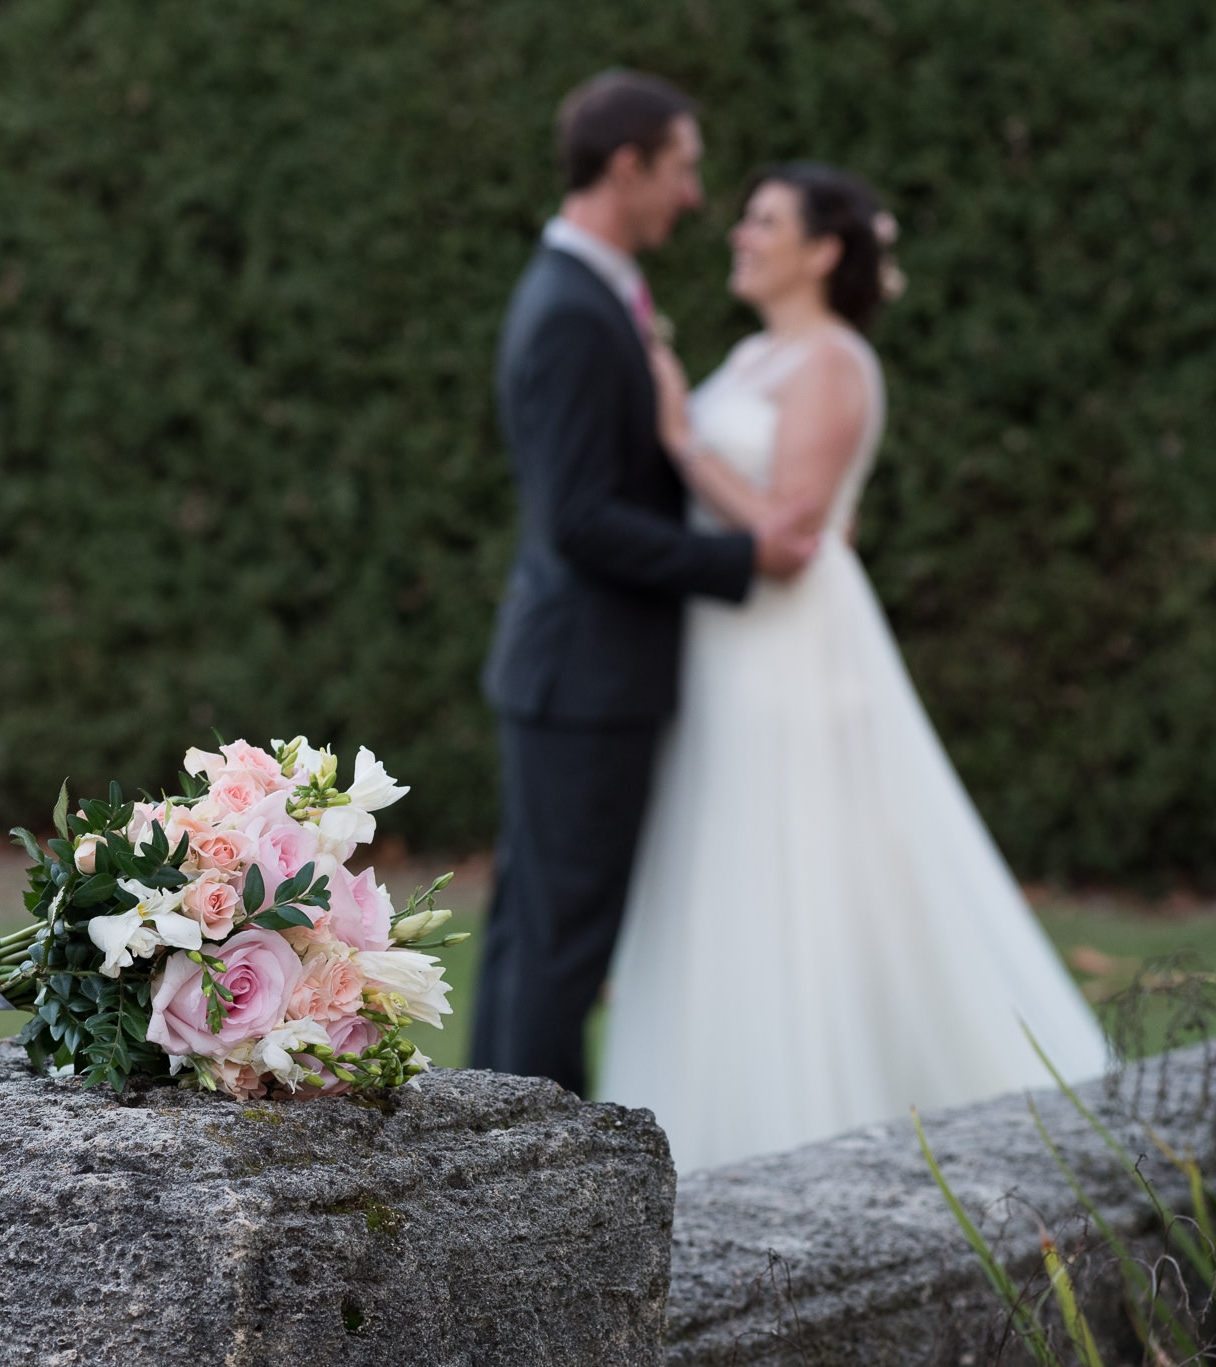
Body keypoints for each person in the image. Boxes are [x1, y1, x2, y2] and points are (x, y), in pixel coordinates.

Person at [598, 163, 1111, 1170]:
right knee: (721, 868)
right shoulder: (752, 354)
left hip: (787, 648)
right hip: (720, 648)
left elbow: (795, 537)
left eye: (764, 220)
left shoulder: (834, 361)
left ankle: (820, 1126)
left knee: (807, 870)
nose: (738, 233)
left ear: (822, 251)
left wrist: (675, 439)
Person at [471, 72, 819, 1097]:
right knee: (560, 944)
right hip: (586, 678)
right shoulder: (575, 309)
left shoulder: (588, 290)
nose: (694, 196)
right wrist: (737, 558)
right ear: (624, 168)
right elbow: (579, 520)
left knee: (535, 934)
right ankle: (521, 1166)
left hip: (573, 674)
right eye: (680, 169)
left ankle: (481, 1147)